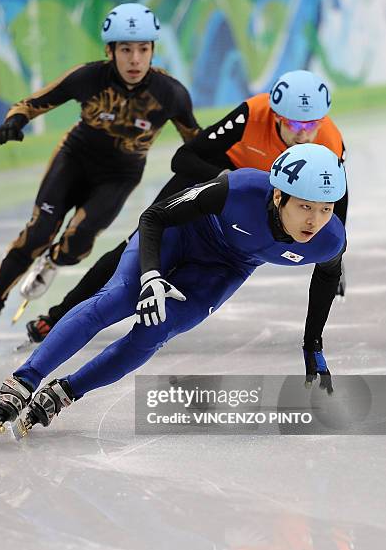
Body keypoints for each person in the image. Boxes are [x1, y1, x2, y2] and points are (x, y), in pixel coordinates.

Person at [0, 143, 347, 438]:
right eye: (305, 207)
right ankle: (23, 381)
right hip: (176, 236)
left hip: (224, 268)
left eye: (326, 209)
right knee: (118, 299)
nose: (314, 220)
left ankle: (65, 393)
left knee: (156, 329)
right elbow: (155, 216)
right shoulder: (238, 189)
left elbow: (327, 278)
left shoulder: (328, 240)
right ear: (278, 196)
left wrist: (312, 347)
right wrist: (150, 276)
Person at [25, 69, 348, 345]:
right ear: (275, 115)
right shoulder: (251, 114)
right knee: (134, 247)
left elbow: (335, 199)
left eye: (312, 125)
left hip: (262, 198)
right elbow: (184, 158)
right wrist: (228, 183)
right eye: (294, 124)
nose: (305, 135)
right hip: (220, 182)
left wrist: (335, 255)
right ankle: (57, 316)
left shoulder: (330, 141)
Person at [0, 2, 200, 336]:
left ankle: (54, 262)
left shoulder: (171, 94)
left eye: (143, 49)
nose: (135, 59)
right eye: (125, 49)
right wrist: (14, 121)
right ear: (109, 51)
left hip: (119, 176)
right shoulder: (88, 77)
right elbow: (30, 103)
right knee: (38, 231)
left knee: (78, 240)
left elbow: (198, 142)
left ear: (153, 50)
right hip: (75, 159)